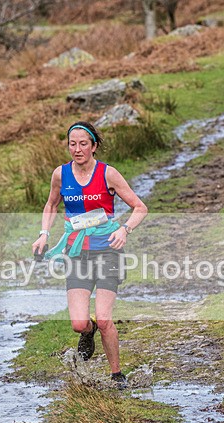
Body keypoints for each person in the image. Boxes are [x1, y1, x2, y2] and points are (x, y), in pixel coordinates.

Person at [32, 121, 148, 388]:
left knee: (105, 318)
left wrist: (125, 230)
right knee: (78, 323)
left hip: (107, 252)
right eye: (72, 144)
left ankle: (116, 374)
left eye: (83, 143)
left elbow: (140, 207)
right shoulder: (60, 175)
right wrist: (43, 234)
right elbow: (51, 204)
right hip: (76, 255)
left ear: (94, 146)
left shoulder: (108, 174)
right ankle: (89, 331)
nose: (77, 149)